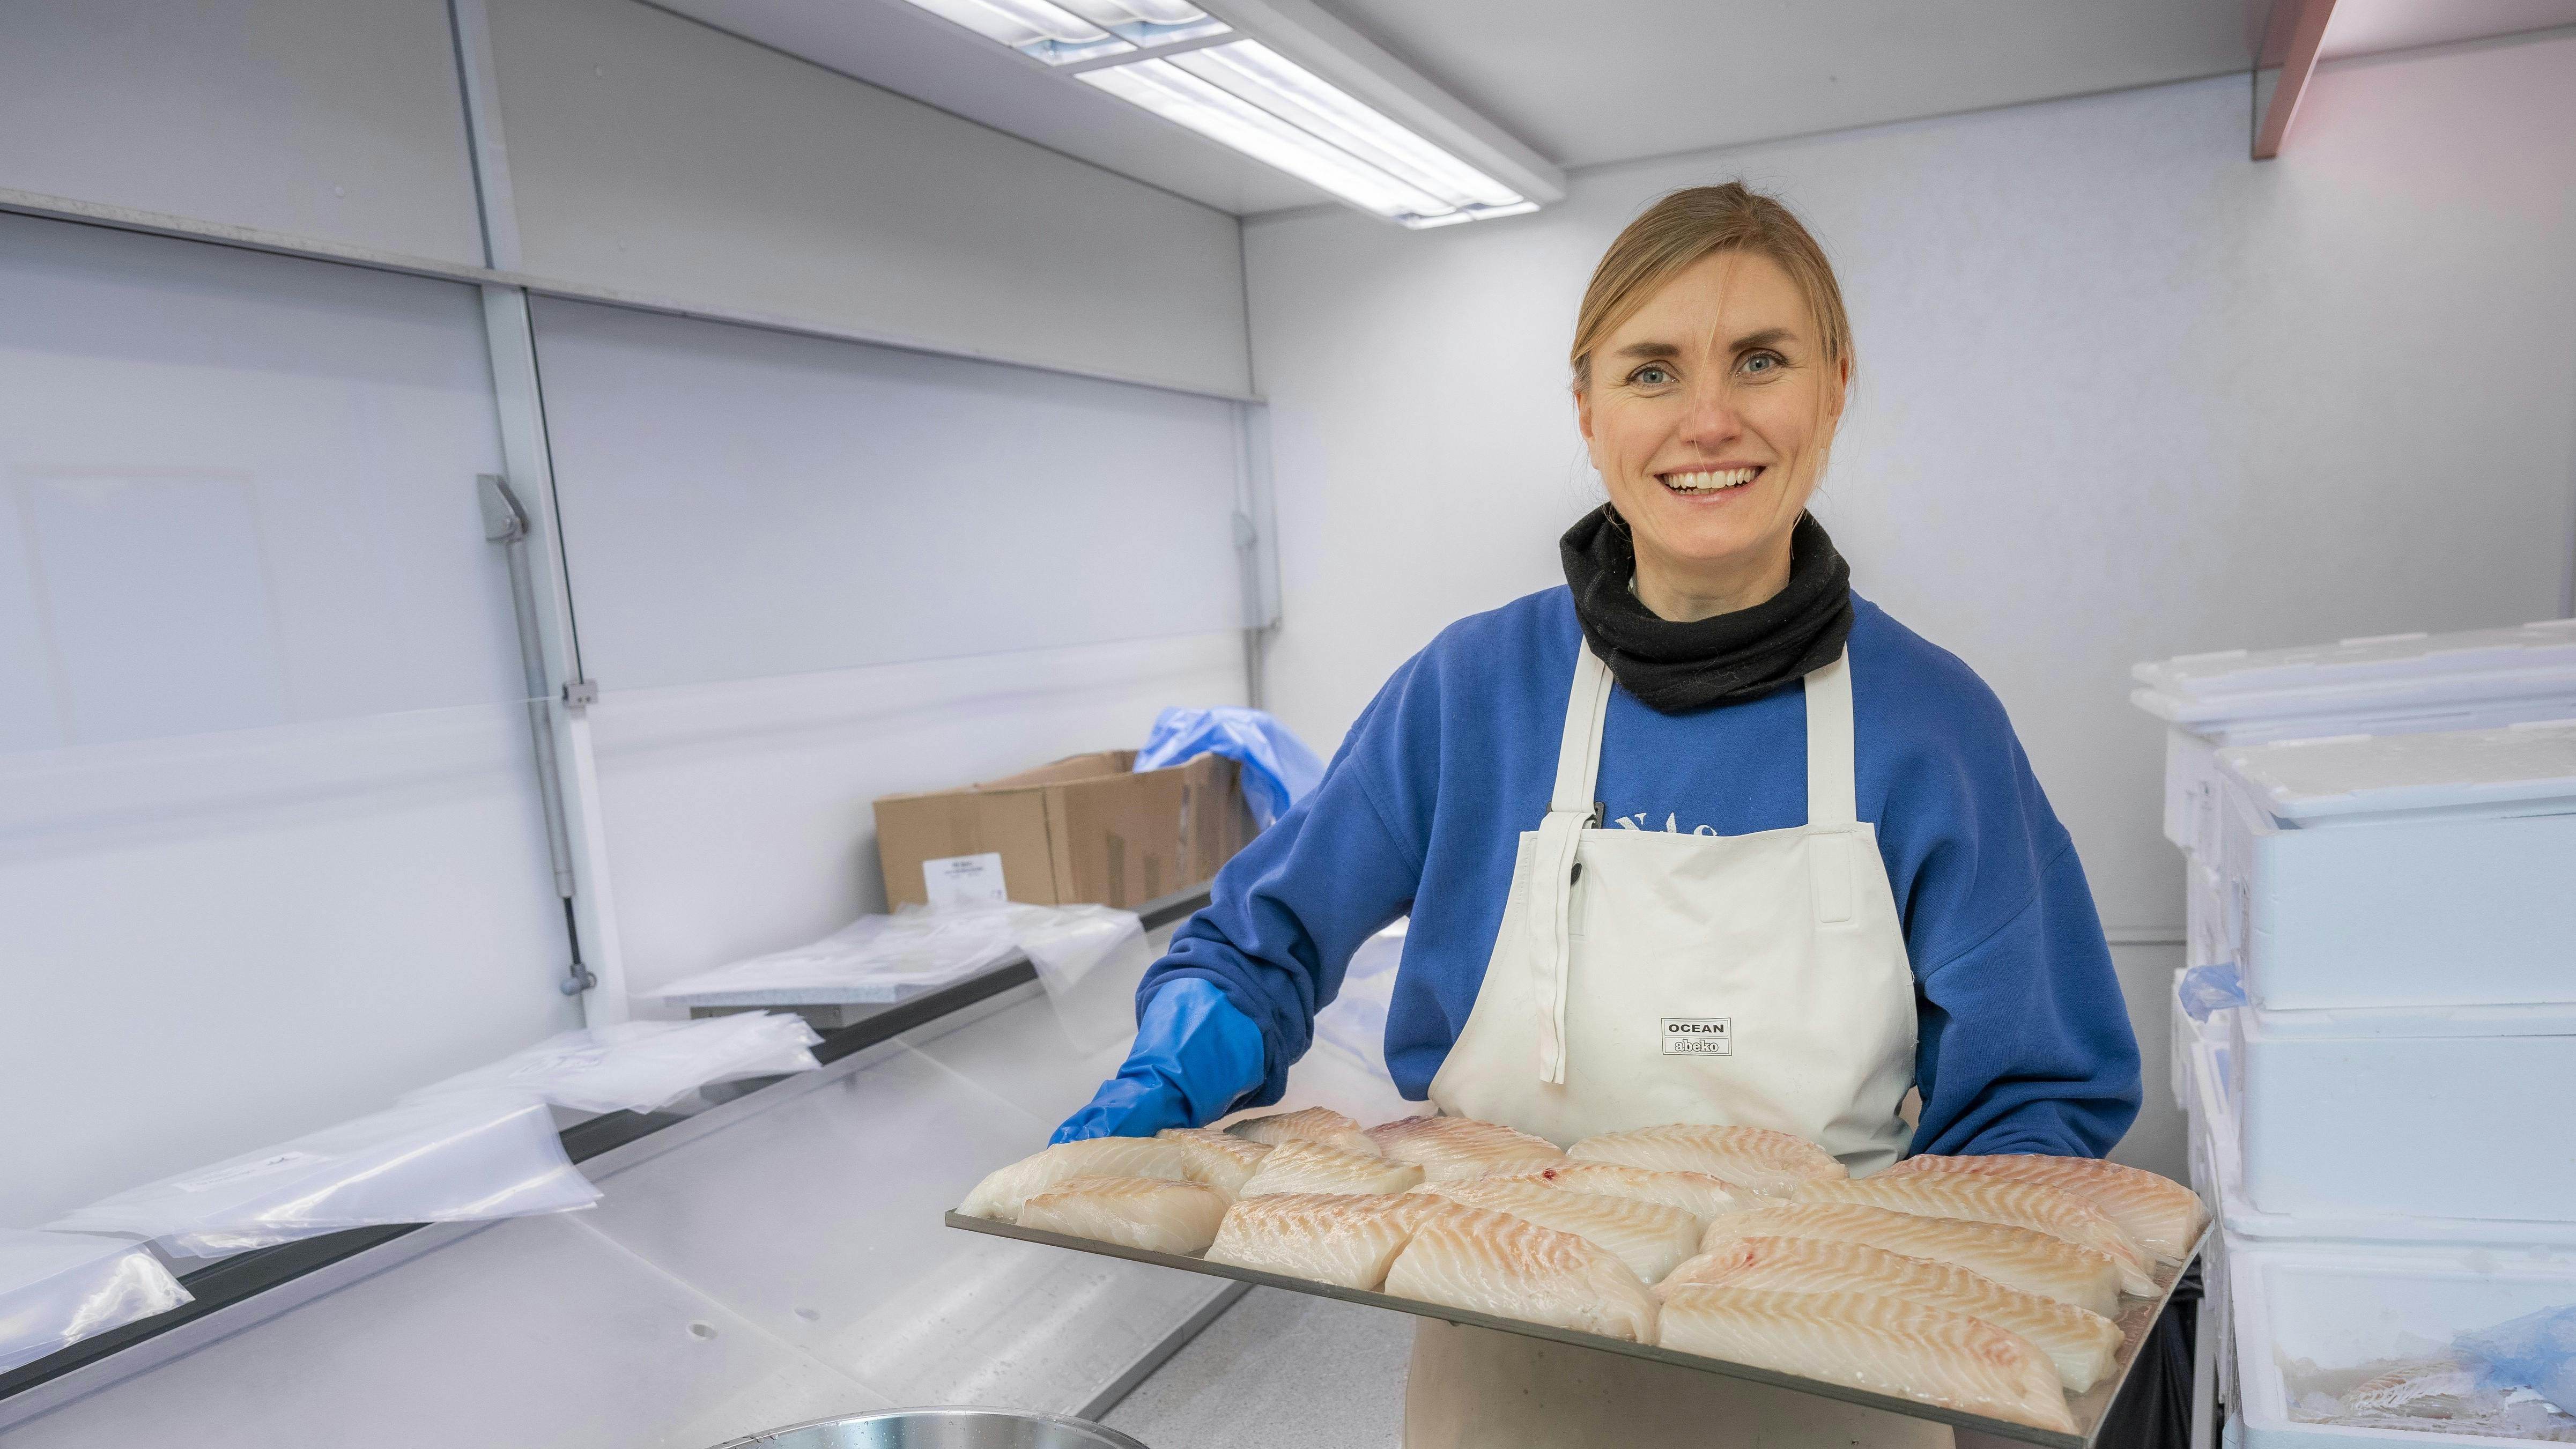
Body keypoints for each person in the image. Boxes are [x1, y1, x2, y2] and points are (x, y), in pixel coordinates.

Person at [1054, 182, 2143, 1448]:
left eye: (1759, 360)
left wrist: (1937, 1278)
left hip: (1835, 1393)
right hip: (1505, 1390)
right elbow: (1260, 942)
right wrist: (1168, 1070)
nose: (1708, 418)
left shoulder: (1930, 724)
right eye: (1650, 370)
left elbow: (2038, 1099)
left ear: (1833, 387)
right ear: (1585, 409)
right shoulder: (1471, 693)